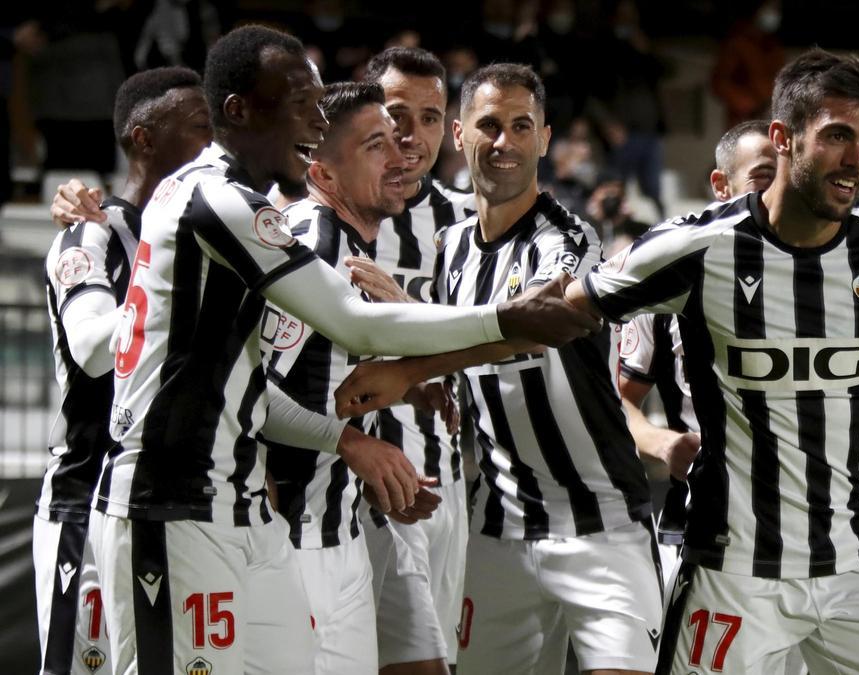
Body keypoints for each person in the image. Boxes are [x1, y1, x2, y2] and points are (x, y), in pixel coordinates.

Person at [89, 26, 596, 674]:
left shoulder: (229, 198)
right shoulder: (219, 202)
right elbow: (354, 322)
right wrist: (506, 318)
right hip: (173, 505)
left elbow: (245, 384)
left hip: (246, 510)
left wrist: (369, 416)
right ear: (241, 111)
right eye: (301, 101)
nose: (317, 117)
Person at [576, 48, 859, 674]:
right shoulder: (696, 249)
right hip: (735, 570)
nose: (856, 159)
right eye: (835, 137)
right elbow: (567, 313)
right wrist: (412, 362)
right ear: (783, 138)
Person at [334, 63, 662, 675]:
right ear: (461, 136)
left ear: (544, 138)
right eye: (489, 125)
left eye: (521, 126)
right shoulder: (452, 247)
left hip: (600, 526)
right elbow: (477, 352)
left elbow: (532, 331)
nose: (504, 142)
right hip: (496, 531)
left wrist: (411, 363)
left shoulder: (567, 239)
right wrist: (424, 369)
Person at [260, 80, 446, 675]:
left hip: (342, 532)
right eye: (375, 146)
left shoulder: (351, 247)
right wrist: (353, 444)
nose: (401, 156)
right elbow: (248, 397)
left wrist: (368, 470)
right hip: (289, 545)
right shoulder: (307, 248)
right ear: (324, 173)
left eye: (396, 140)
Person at [35, 65, 210, 675]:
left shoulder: (201, 237)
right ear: (144, 138)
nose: (213, 142)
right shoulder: (92, 235)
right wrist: (176, 312)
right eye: (198, 127)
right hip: (84, 499)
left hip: (160, 504)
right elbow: (90, 349)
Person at [619, 119, 776, 588]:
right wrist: (663, 443)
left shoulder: (835, 270)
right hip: (703, 522)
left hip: (822, 530)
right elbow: (619, 400)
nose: (777, 193)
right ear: (720, 185)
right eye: (763, 178)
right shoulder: (668, 279)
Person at [361, 47, 478, 672]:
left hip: (441, 483)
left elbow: (491, 346)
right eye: (397, 113)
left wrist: (404, 307)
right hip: (347, 485)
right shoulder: (313, 214)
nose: (413, 134)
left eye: (431, 117)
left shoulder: (467, 223)